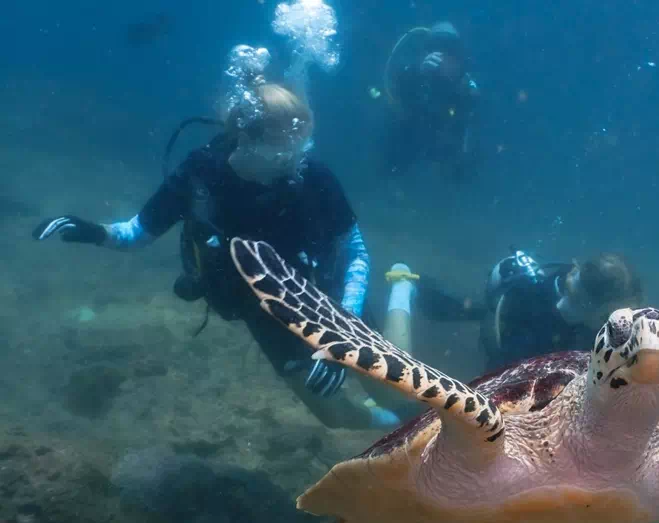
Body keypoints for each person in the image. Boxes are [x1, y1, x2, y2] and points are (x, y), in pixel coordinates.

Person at [32, 82, 409, 430]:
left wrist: (343, 332)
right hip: (262, 309)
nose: (296, 158)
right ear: (245, 137)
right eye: (285, 149)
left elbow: (354, 250)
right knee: (333, 415)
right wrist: (95, 233)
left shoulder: (313, 175)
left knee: (398, 387)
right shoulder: (201, 176)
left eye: (302, 146)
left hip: (330, 298)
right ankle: (398, 427)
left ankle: (402, 290)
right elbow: (137, 232)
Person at [420, 250, 644, 369]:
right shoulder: (540, 325)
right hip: (512, 327)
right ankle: (414, 289)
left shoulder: (585, 316)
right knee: (464, 311)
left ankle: (433, 299)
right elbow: (502, 375)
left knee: (465, 311)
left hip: (543, 321)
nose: (622, 321)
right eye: (611, 314)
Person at [382, 21, 480, 181]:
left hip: (447, 161)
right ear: (425, 51)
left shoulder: (465, 84)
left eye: (451, 50)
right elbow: (398, 98)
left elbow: (473, 121)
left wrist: (462, 87)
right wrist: (419, 75)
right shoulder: (413, 74)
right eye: (437, 48)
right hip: (408, 155)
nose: (443, 57)